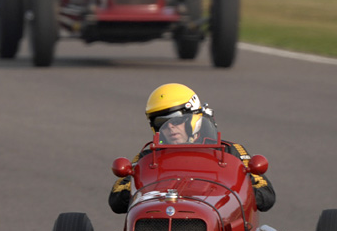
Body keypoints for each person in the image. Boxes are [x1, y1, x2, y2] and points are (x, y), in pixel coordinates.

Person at [108, 83, 276, 214]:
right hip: (162, 222)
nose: (170, 128)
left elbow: (265, 195)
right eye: (162, 123)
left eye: (176, 121)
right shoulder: (148, 156)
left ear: (193, 118)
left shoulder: (230, 151)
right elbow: (117, 199)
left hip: (219, 225)